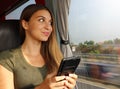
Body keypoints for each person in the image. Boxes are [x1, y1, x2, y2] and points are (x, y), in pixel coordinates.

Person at [0, 4, 78, 89]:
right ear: (25, 24)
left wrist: (68, 86)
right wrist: (42, 87)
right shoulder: (7, 59)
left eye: (50, 22)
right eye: (41, 20)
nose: (48, 27)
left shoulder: (55, 56)